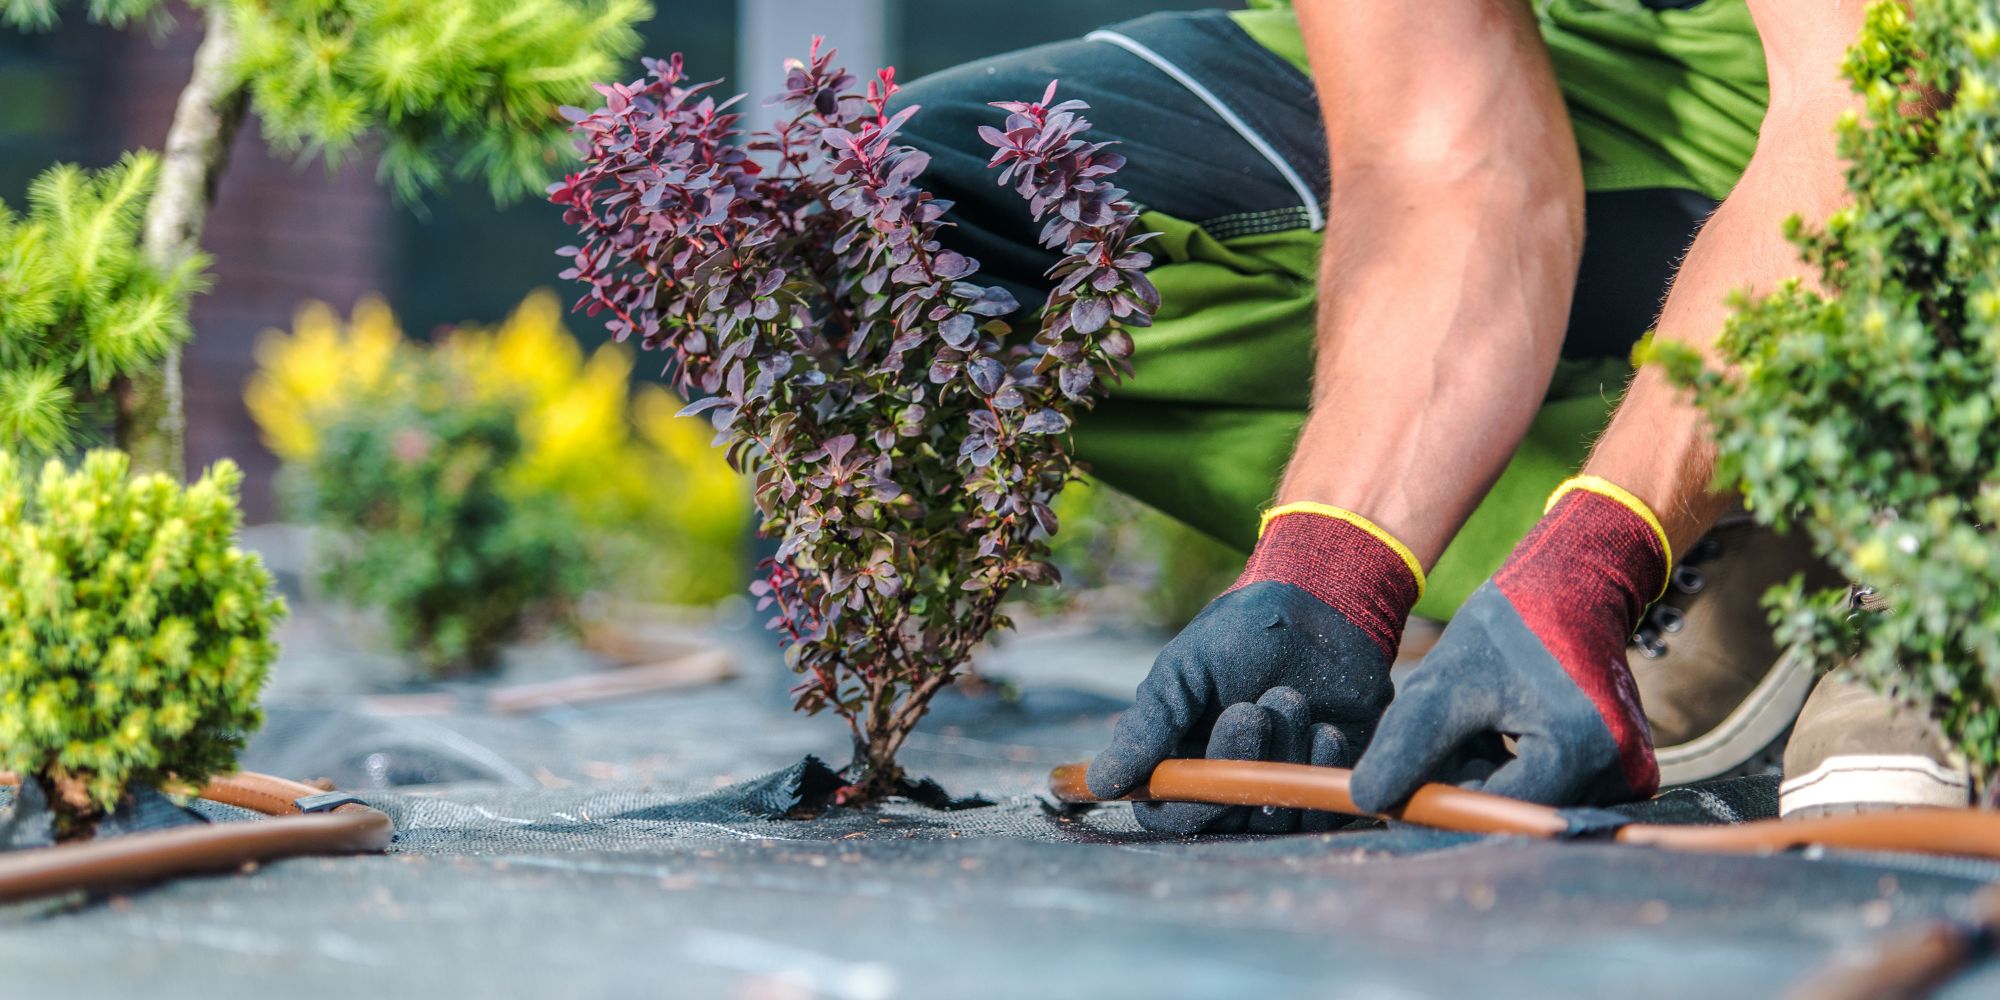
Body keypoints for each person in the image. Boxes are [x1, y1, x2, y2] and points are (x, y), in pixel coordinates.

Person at [896, 0, 1971, 833]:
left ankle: (1939, 518)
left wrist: (1598, 555)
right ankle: (1740, 502)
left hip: (1910, 83)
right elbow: (1442, 150)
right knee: (881, 218)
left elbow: (1870, 97)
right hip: (1641, 82)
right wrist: (1328, 568)